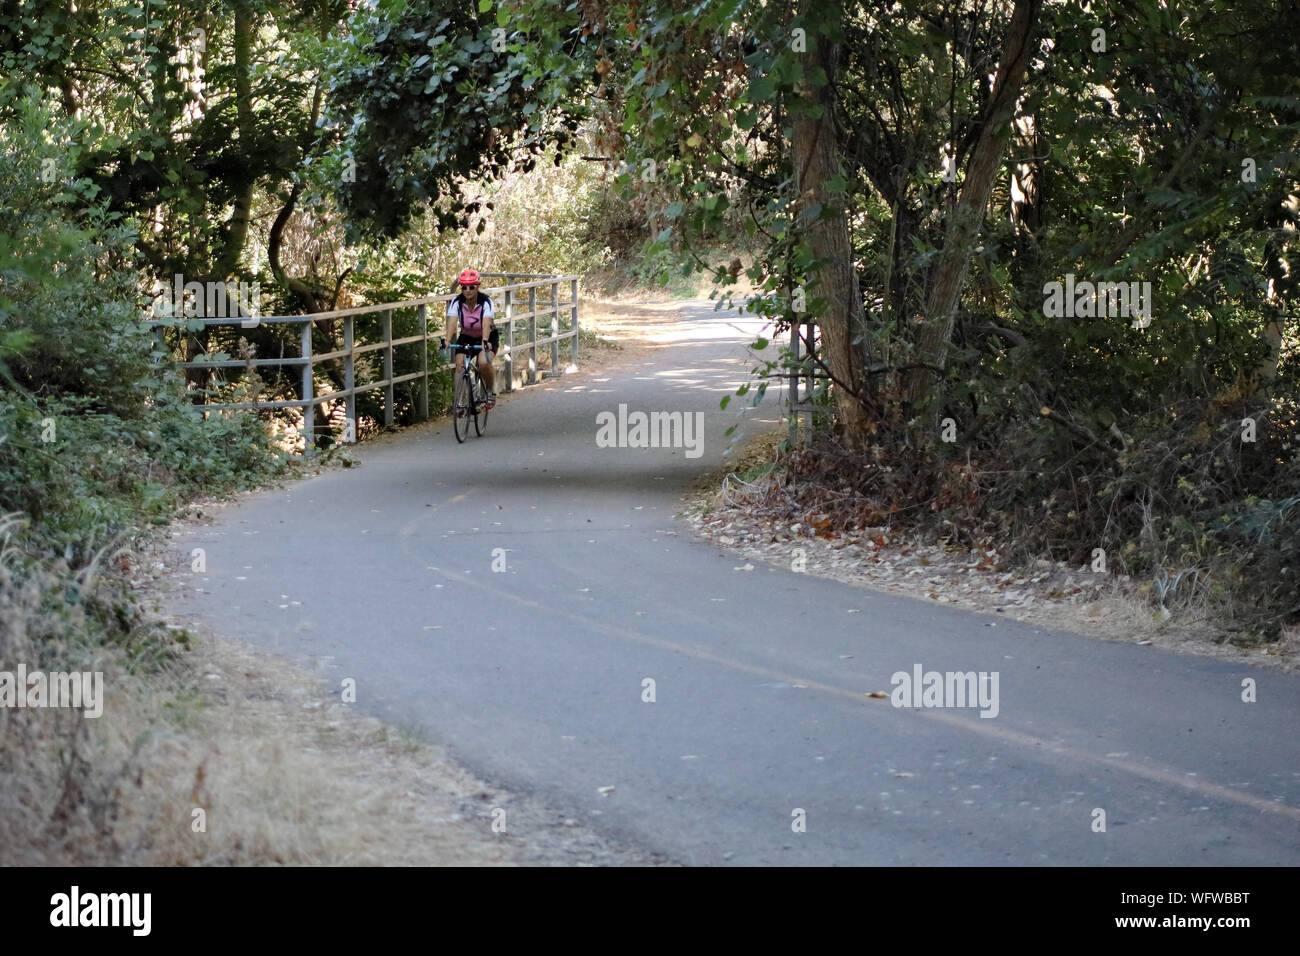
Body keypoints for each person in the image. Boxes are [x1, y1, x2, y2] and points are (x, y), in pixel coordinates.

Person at [441, 268, 498, 409]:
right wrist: (447, 341)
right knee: (459, 365)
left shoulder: (486, 302)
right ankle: (460, 402)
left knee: (483, 363)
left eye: (471, 287)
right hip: (466, 336)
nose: (468, 290)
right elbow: (452, 322)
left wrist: (485, 341)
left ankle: (490, 392)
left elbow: (486, 322)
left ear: (477, 286)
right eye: (464, 287)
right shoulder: (457, 301)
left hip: (487, 336)